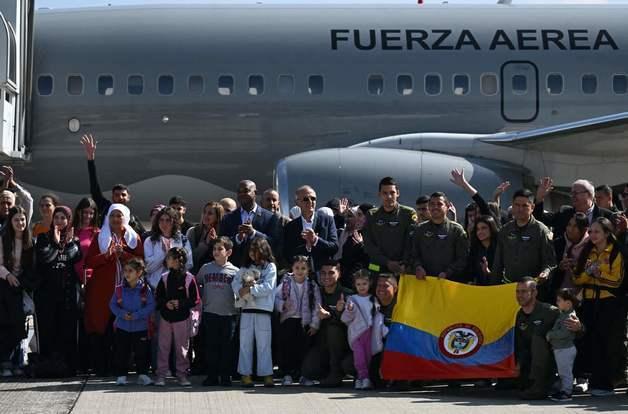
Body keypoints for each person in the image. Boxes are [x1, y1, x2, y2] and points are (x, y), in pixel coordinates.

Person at [84, 204, 143, 376]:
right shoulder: (100, 237)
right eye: (112, 216)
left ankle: (120, 368)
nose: (116, 220)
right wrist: (108, 255)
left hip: (127, 293)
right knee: (102, 329)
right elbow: (90, 262)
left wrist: (123, 254)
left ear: (125, 218)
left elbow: (140, 261)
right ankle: (101, 368)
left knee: (123, 332)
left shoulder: (133, 238)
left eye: (119, 216)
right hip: (102, 292)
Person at [572, 217, 627, 396]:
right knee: (591, 340)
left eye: (597, 232)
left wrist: (598, 273)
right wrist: (589, 272)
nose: (592, 235)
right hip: (589, 301)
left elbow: (616, 281)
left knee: (608, 342)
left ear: (606, 233)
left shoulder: (615, 251)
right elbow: (577, 278)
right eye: (591, 232)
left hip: (609, 302)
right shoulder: (588, 251)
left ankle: (606, 383)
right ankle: (593, 381)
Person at [514, 277, 582, 400]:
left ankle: (541, 386)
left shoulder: (549, 311)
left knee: (538, 339)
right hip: (529, 362)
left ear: (534, 292)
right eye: (517, 291)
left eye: (524, 291)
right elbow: (520, 343)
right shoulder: (519, 315)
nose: (520, 295)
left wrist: (579, 328)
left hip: (550, 361)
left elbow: (573, 328)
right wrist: (518, 364)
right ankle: (534, 383)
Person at [35, 206, 82, 376]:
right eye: (57, 217)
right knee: (49, 330)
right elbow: (45, 258)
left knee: (67, 330)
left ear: (69, 221)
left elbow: (73, 257)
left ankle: (68, 367)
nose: (60, 221)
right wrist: (55, 243)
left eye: (64, 218)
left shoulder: (73, 240)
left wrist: (66, 244)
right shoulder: (42, 238)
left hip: (68, 294)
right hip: (47, 294)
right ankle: (48, 366)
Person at [231, 238, 277, 387]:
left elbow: (268, 287)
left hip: (263, 310)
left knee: (264, 344)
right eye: (250, 251)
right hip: (247, 310)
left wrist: (250, 289)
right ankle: (245, 373)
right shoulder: (244, 268)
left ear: (263, 251)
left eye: (256, 250)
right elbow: (235, 283)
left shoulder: (270, 267)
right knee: (245, 343)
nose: (253, 254)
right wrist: (240, 290)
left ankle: (266, 374)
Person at [301, 260, 354, 387]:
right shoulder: (315, 292)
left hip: (344, 345)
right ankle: (327, 370)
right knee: (309, 370)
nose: (326, 277)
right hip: (322, 343)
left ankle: (336, 372)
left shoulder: (347, 294)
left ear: (339, 273)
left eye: (331, 273)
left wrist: (333, 314)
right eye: (323, 273)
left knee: (333, 328)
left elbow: (353, 321)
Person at [80, 134, 145, 234]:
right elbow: (94, 188)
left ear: (128, 198)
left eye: (123, 195)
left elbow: (144, 237)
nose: (120, 197)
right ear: (112, 197)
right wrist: (90, 160)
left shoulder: (133, 219)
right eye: (117, 195)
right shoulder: (105, 207)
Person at [195, 237, 239, 387]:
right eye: (214, 249)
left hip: (229, 314)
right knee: (211, 346)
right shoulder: (205, 268)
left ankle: (226, 376)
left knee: (227, 347)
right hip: (210, 313)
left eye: (220, 249)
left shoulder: (235, 271)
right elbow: (197, 284)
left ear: (229, 252)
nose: (216, 252)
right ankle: (212, 376)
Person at [154, 247, 200, 387]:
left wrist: (180, 303)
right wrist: (166, 304)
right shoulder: (164, 278)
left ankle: (182, 375)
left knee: (182, 348)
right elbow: (158, 297)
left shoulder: (189, 279)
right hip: (165, 318)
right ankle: (161, 375)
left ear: (177, 261)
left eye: (169, 258)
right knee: (163, 347)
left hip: (183, 318)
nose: (166, 260)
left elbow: (195, 299)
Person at [490, 189, 556, 284]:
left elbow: (550, 262)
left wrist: (545, 272)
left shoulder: (541, 231)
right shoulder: (505, 230)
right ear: (512, 206)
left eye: (525, 206)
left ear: (532, 207)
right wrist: (494, 286)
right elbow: (498, 263)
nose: (520, 209)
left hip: (532, 288)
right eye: (517, 205)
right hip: (508, 286)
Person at [274, 256, 321, 386]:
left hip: (305, 322)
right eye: (297, 268)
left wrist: (315, 324)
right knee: (287, 348)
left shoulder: (312, 285)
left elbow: (318, 305)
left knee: (303, 349)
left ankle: (303, 375)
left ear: (308, 270)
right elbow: (275, 298)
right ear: (292, 268)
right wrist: (282, 305)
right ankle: (287, 374)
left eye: (303, 268)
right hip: (288, 320)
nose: (300, 271)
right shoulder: (286, 282)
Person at [109, 258, 155, 386]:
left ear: (139, 272)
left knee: (142, 352)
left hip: (140, 327)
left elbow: (150, 306)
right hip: (122, 327)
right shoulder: (119, 289)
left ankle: (143, 374)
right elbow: (112, 305)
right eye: (125, 271)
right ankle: (121, 375)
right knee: (121, 352)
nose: (127, 274)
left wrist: (136, 315)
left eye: (131, 271)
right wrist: (123, 314)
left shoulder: (146, 290)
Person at [0, 207, 34, 377]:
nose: (20, 223)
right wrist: (8, 276)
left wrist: (22, 281)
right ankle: (5, 362)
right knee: (6, 324)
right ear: (10, 222)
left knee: (20, 326)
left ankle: (17, 361)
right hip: (5, 285)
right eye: (16, 220)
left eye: (22, 219)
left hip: (21, 286)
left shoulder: (29, 242)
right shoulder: (4, 239)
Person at [341, 270, 387, 390]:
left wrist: (382, 329)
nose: (361, 287)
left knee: (368, 357)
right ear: (355, 285)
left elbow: (378, 316)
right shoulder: (352, 299)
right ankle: (363, 377)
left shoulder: (373, 299)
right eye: (359, 284)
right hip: (357, 333)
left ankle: (363, 379)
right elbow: (346, 318)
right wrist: (350, 310)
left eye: (364, 284)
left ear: (370, 284)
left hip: (370, 333)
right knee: (359, 357)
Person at [364, 177, 416, 274]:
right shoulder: (371, 215)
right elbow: (368, 245)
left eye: (392, 193)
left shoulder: (408, 214)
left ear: (398, 193)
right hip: (377, 267)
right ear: (379, 194)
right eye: (385, 193)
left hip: (401, 269)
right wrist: (387, 262)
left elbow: (411, 242)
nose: (389, 196)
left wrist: (404, 263)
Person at [411, 192, 469, 281]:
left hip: (449, 283)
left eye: (439, 204)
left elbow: (462, 258)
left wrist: (448, 272)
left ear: (447, 207)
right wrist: (418, 267)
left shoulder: (456, 230)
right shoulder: (420, 230)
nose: (435, 207)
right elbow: (413, 254)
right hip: (425, 282)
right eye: (432, 204)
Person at [221, 180, 278, 267]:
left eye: (246, 191)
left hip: (260, 270)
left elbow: (274, 243)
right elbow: (222, 243)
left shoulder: (269, 217)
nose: (242, 194)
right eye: (239, 192)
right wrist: (237, 238)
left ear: (255, 192)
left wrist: (253, 233)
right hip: (236, 269)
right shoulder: (228, 218)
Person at [72, 197, 100, 374]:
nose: (88, 215)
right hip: (74, 282)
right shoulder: (71, 230)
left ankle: (92, 360)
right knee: (78, 323)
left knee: (92, 322)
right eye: (85, 212)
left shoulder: (97, 232)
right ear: (79, 212)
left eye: (91, 212)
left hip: (92, 281)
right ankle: (79, 361)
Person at [283, 186, 339, 272]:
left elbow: (334, 247)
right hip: (300, 275)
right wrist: (306, 248)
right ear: (297, 202)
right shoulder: (291, 226)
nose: (310, 202)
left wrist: (315, 240)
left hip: (323, 275)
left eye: (313, 198)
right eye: (306, 199)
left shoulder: (327, 220)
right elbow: (288, 254)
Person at [534, 177, 613, 235]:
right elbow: (539, 218)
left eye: (576, 193)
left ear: (589, 195)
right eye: (572, 193)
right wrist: (539, 198)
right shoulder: (564, 213)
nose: (573, 196)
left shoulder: (607, 216)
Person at [143, 207, 193, 291]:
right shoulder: (150, 240)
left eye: (168, 220)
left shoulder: (183, 240)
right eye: (161, 220)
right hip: (154, 288)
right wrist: (164, 255)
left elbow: (189, 264)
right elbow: (148, 268)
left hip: (176, 287)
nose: (164, 223)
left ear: (174, 222)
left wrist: (174, 261)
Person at [546, 289, 579, 402]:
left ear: (568, 303)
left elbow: (564, 333)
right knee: (562, 371)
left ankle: (567, 392)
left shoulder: (569, 317)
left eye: (559, 300)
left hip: (565, 349)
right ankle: (563, 389)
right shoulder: (563, 314)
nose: (557, 303)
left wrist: (550, 335)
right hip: (561, 348)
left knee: (565, 372)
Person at [550, 213, 589, 296]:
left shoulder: (590, 245)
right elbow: (550, 266)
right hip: (560, 292)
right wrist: (559, 267)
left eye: (575, 226)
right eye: (569, 225)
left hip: (583, 294)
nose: (570, 229)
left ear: (584, 229)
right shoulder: (558, 243)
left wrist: (579, 266)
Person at [370, 273, 397, 389]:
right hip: (376, 349)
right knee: (349, 365)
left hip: (398, 350)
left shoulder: (402, 306)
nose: (381, 289)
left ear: (395, 289)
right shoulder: (370, 304)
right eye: (379, 286)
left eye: (385, 286)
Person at [335, 206, 370, 288]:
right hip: (348, 283)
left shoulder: (375, 238)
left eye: (360, 215)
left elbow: (375, 265)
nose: (357, 219)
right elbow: (346, 259)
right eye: (356, 215)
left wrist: (361, 246)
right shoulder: (353, 236)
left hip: (364, 284)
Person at [187, 201, 224, 275]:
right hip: (195, 274)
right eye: (204, 212)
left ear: (217, 217)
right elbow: (190, 258)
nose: (205, 215)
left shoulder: (223, 234)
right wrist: (205, 244)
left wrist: (215, 243)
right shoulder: (193, 231)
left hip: (215, 275)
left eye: (210, 213)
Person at [467, 215, 499, 286]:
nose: (480, 232)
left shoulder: (499, 248)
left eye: (484, 228)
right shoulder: (474, 249)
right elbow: (470, 270)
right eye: (478, 229)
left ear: (491, 228)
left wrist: (489, 273)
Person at [0, 165, 33, 233]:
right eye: (2, 203)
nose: (5, 206)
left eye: (9, 203)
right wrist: (5, 183)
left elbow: (28, 200)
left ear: (14, 204)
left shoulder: (19, 220)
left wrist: (11, 182)